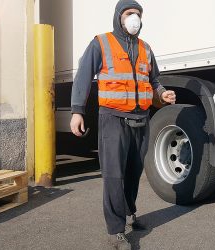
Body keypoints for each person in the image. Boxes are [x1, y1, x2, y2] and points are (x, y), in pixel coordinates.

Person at [69, 1, 176, 249]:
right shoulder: (101, 42)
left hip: (141, 119)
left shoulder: (146, 48)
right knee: (114, 175)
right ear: (119, 17)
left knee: (133, 173)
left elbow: (153, 80)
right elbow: (83, 76)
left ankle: (129, 215)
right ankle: (116, 231)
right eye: (129, 14)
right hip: (113, 119)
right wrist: (77, 111)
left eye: (138, 14)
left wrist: (162, 94)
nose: (134, 18)